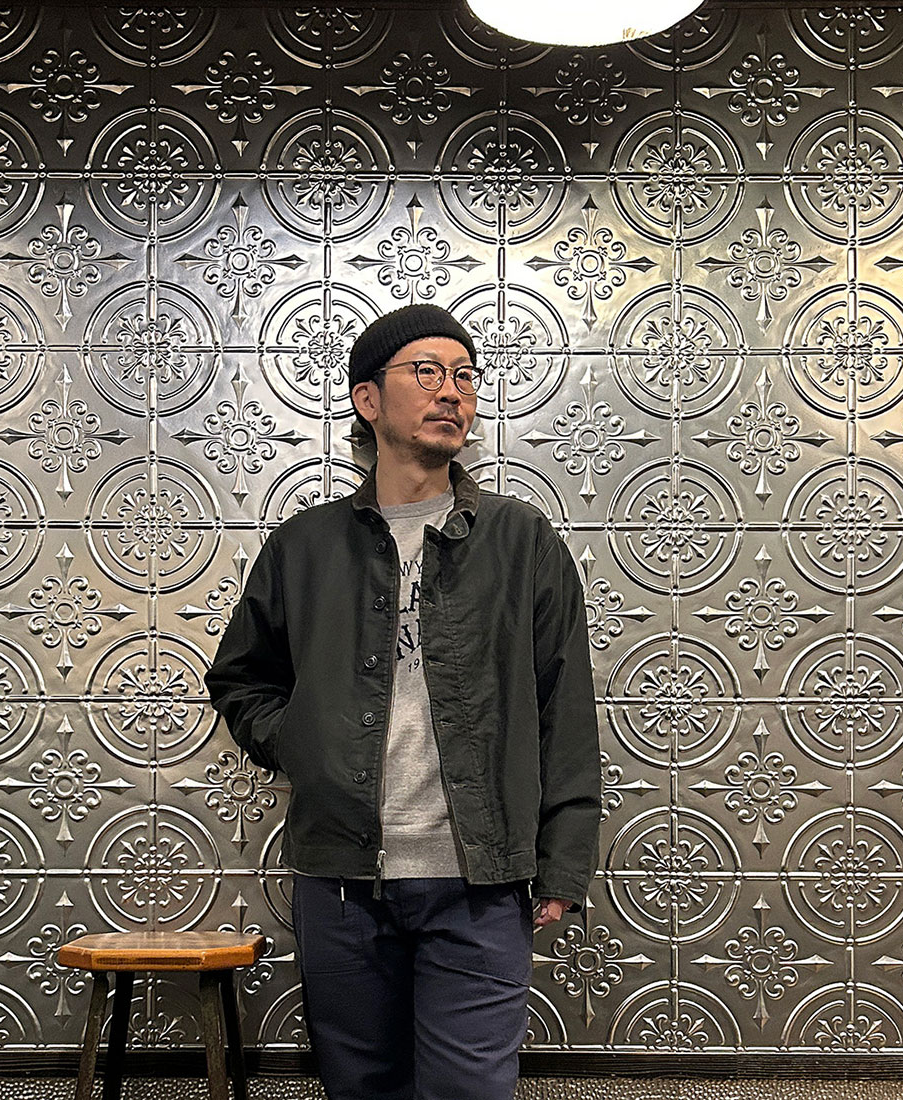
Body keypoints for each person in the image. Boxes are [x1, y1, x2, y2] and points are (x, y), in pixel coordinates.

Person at [205, 302, 601, 1100]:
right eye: (426, 372)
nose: (451, 391)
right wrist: (304, 743)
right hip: (342, 884)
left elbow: (565, 708)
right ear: (368, 399)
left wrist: (563, 860)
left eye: (465, 376)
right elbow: (241, 678)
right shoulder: (306, 547)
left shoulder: (522, 541)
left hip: (481, 883)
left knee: (468, 1091)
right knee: (361, 1089)